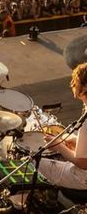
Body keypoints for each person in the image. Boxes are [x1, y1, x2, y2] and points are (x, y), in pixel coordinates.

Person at [36, 62, 87, 190]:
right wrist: (73, 140)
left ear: (85, 88)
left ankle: (18, 206)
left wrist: (59, 145)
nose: (72, 84)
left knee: (32, 162)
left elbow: (83, 163)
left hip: (82, 178)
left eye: (76, 81)